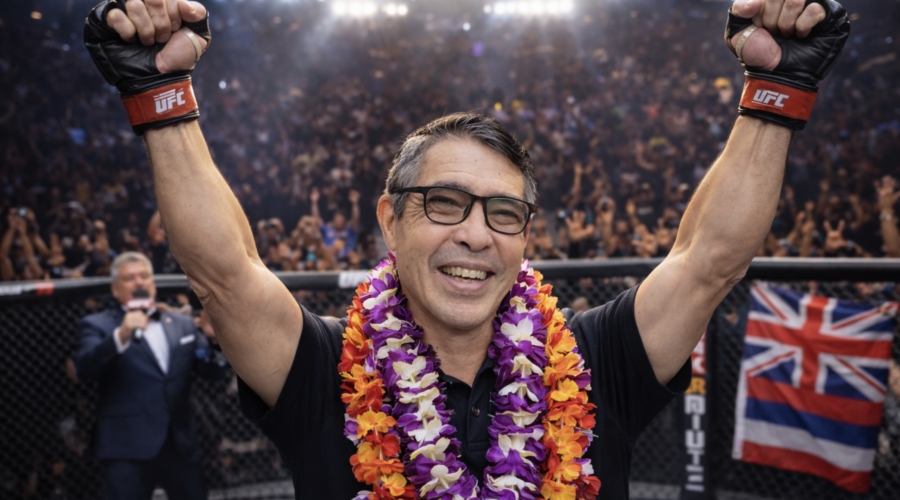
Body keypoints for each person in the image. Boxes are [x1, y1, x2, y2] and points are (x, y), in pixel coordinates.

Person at [82, 0, 847, 498]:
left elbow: (709, 260)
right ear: (390, 220)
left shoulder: (595, 358)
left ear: (526, 236)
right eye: (444, 203)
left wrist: (775, 93)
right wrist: (161, 101)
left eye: (503, 213)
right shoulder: (323, 369)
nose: (475, 234)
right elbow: (224, 275)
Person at [75, 252, 229, 500]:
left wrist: (216, 342)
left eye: (144, 276)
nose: (139, 282)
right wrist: (121, 336)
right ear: (115, 290)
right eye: (129, 278)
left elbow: (213, 372)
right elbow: (85, 368)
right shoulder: (97, 325)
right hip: (127, 446)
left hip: (180, 444)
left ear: (153, 284)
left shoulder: (182, 324)